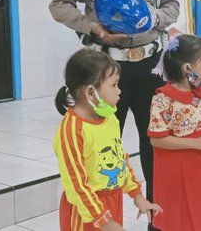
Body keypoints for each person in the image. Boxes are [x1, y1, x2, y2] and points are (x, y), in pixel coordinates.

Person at [49, 0, 179, 217]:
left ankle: (157, 220)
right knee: (103, 149)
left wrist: (154, 18)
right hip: (105, 70)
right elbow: (59, 5)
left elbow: (172, 6)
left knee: (156, 146)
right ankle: (100, 219)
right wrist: (94, 28)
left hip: (151, 66)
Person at [53, 48, 162, 231]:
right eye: (114, 85)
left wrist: (137, 195)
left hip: (112, 201)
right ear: (90, 92)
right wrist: (104, 221)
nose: (119, 91)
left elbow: (119, 159)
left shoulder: (110, 118)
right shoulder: (72, 130)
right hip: (86, 211)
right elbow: (76, 185)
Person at [147, 34, 201, 230]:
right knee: (179, 218)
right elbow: (157, 140)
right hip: (176, 168)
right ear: (187, 68)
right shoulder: (163, 99)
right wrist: (195, 143)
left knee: (199, 213)